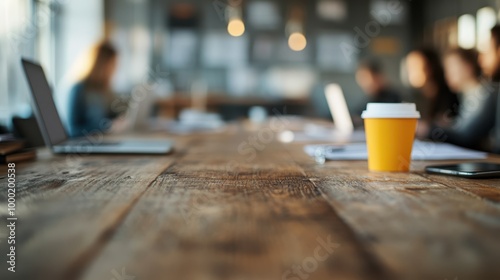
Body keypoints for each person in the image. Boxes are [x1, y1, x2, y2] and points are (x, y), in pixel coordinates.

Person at [428, 48, 497, 151]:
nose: (447, 75)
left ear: (468, 67)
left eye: (452, 68)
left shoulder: (485, 94)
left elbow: (467, 135)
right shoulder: (465, 95)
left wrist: (429, 129)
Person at [67, 42, 124, 137]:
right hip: (85, 145)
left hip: (102, 140)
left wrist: (119, 121)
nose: (115, 69)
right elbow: (73, 130)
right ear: (101, 65)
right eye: (113, 64)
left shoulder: (105, 90)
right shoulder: (78, 89)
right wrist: (106, 128)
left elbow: (109, 116)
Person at [405, 48, 460, 138]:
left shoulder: (450, 94)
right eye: (409, 67)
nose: (411, 71)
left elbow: (452, 129)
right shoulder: (412, 97)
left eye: (415, 65)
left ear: (430, 67)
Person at [353, 60, 401, 126]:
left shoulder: (394, 98)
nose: (363, 83)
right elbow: (357, 115)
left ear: (378, 77)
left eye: (365, 78)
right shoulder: (369, 98)